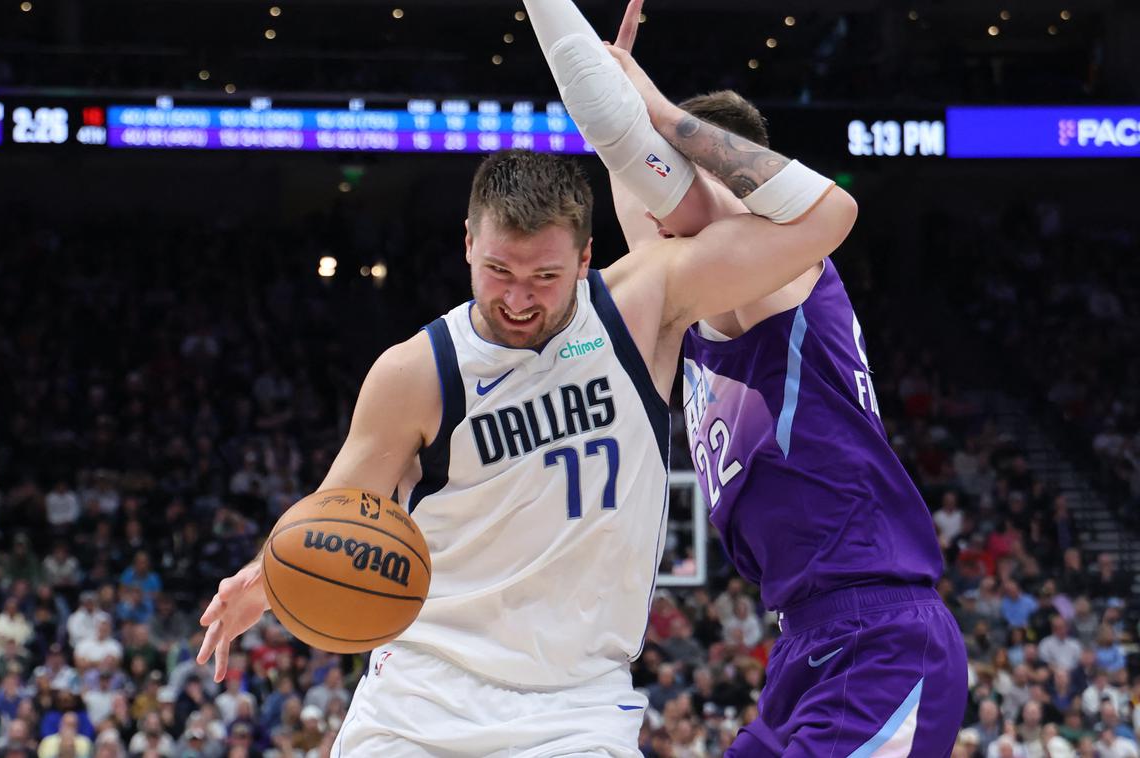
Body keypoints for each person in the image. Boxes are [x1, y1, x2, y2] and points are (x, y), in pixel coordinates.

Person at [196, 72, 857, 758]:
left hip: (576, 709)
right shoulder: (415, 371)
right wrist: (268, 576)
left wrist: (648, 119)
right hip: (420, 697)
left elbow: (824, 218)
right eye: (497, 272)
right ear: (466, 246)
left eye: (544, 277)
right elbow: (339, 510)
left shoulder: (641, 306)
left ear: (586, 258)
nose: (517, 299)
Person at [522, 0, 967, 754]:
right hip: (806, 644)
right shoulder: (696, 302)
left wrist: (656, 113)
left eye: (673, 188)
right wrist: (611, 106)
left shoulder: (782, 277)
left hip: (881, 641)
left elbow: (689, 198)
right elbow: (643, 192)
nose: (656, 216)